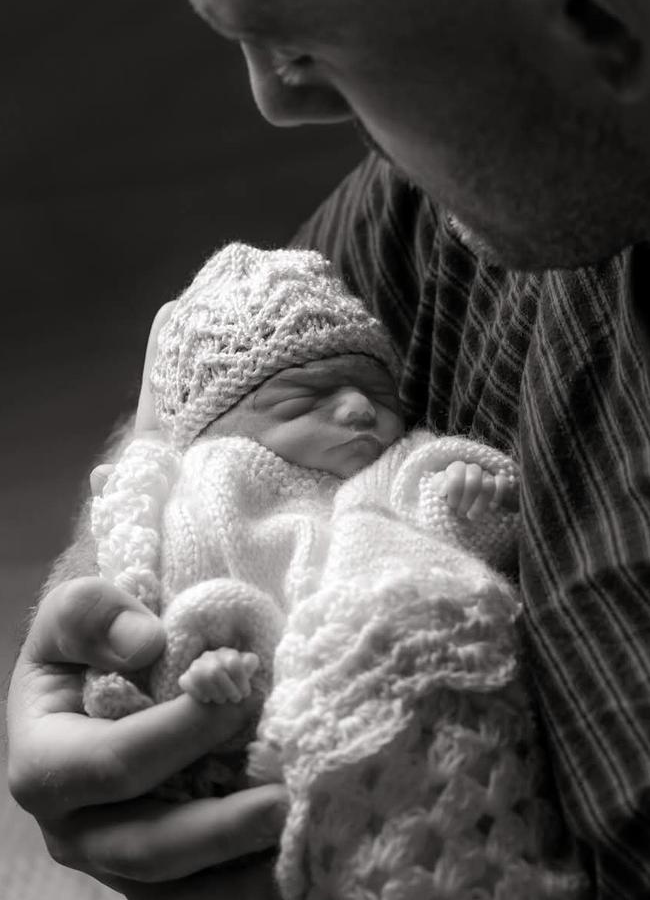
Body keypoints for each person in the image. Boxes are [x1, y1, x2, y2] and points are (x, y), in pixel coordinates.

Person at [7, 0, 650, 898]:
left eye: (301, 40)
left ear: (596, 23)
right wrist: (103, 601)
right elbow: (201, 396)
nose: (274, 100)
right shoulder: (476, 179)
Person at [86, 241, 584, 898]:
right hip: (257, 693)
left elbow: (453, 523)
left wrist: (467, 495)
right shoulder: (211, 480)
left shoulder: (393, 464)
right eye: (306, 400)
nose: (357, 410)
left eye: (377, 392)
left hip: (406, 661)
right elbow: (159, 579)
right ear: (217, 426)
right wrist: (188, 661)